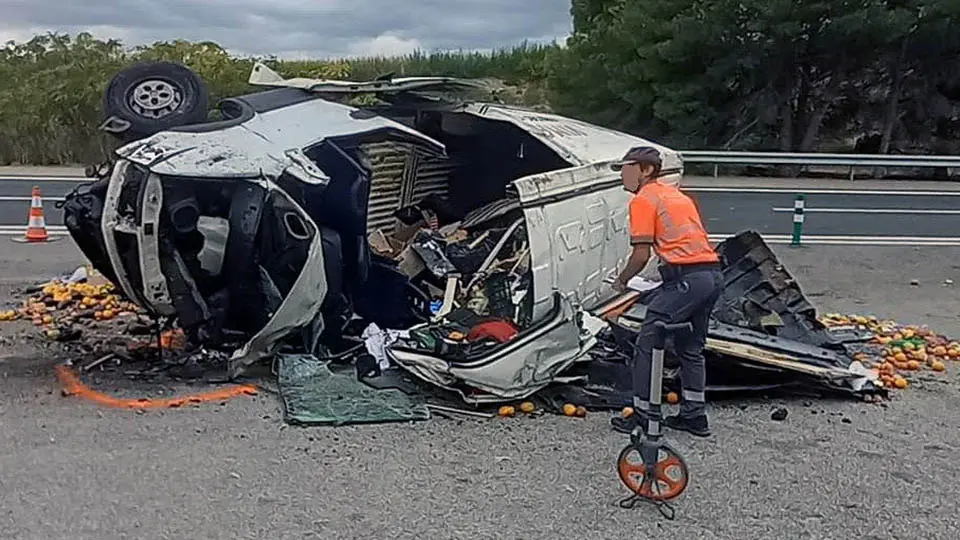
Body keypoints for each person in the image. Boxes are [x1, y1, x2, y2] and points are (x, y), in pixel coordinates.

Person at [608, 146, 723, 438]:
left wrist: (622, 281)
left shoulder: (643, 200)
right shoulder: (677, 195)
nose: (623, 174)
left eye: (628, 168)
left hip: (685, 280)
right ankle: (694, 416)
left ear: (646, 170)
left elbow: (641, 254)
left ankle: (644, 415)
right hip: (710, 275)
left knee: (647, 343)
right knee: (691, 348)